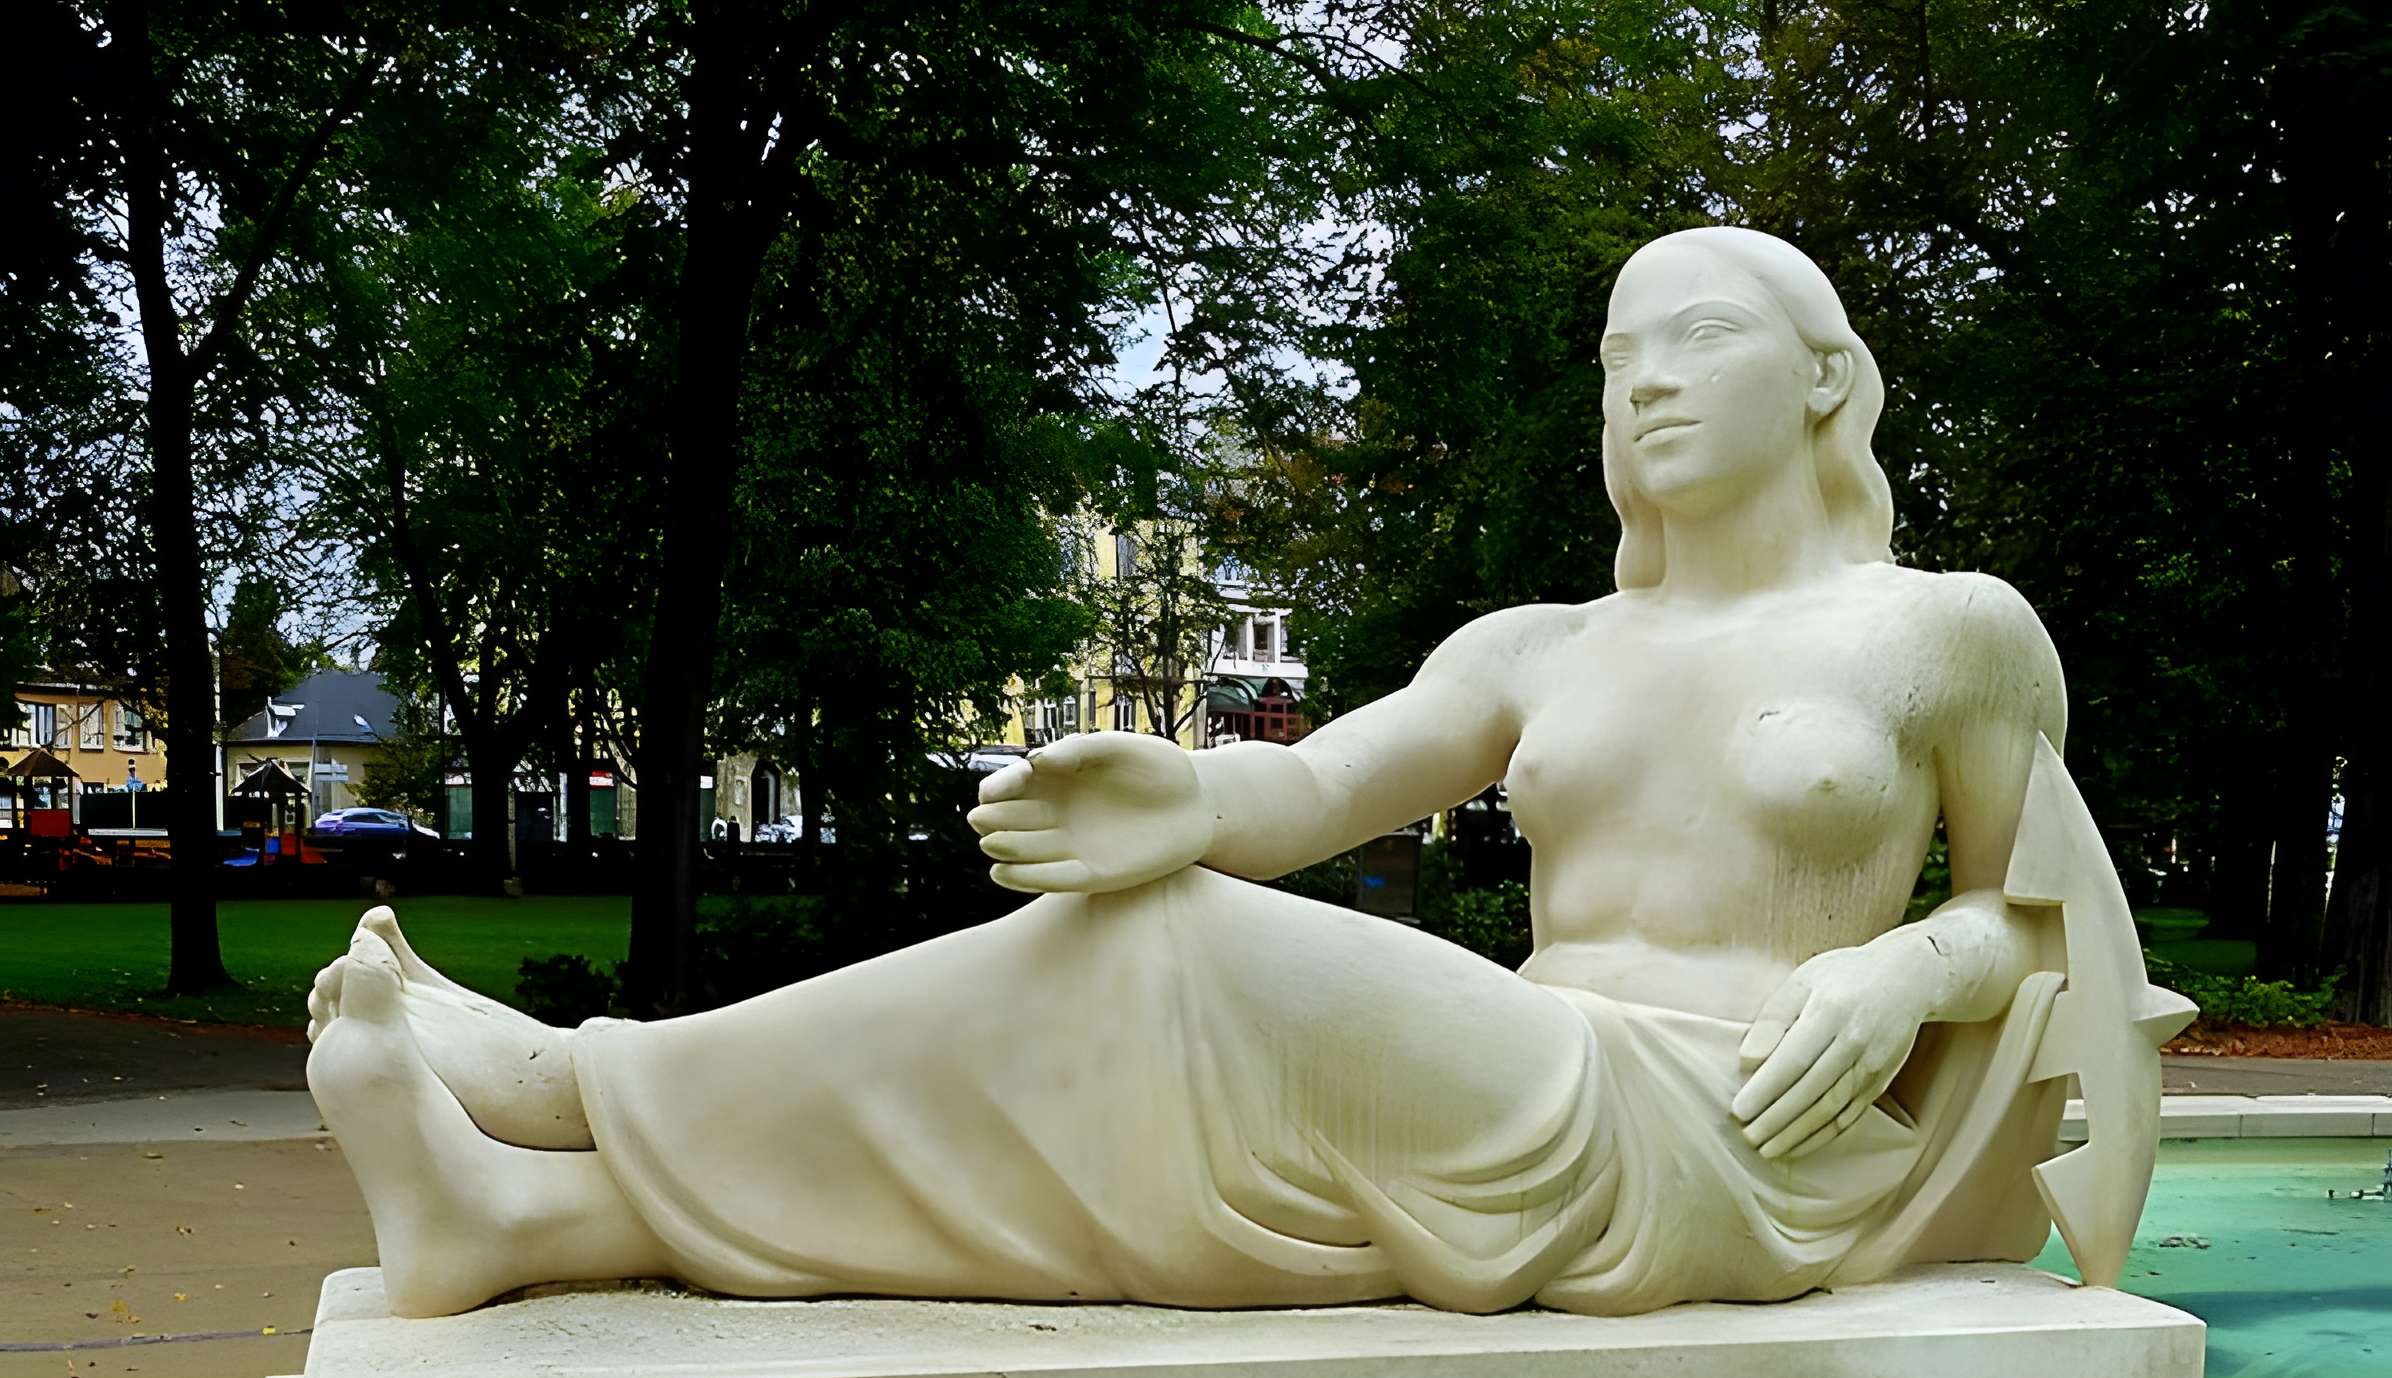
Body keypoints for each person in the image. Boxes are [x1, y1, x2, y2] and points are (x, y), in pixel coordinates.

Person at [304, 227, 2179, 1320]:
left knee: (1178, 955)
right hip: (1527, 1077)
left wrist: (1897, 968)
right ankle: (535, 1216)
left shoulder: (1948, 628)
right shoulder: (1543, 646)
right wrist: (1185, 801)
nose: (1646, 387)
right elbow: (1314, 793)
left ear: (1829, 380)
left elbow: (2046, 932)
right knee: (1132, 977)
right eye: (1618, 359)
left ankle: (581, 1087)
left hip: (1752, 1143)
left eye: (1699, 341)